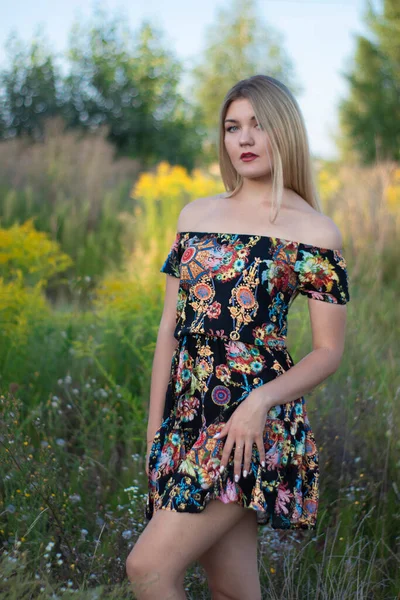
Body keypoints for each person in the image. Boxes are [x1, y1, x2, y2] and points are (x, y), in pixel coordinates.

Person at [126, 74, 350, 600]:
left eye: (258, 125)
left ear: (285, 132)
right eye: (232, 127)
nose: (244, 139)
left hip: (251, 428)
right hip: (186, 419)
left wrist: (260, 403)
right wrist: (155, 430)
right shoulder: (195, 216)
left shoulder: (315, 232)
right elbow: (169, 329)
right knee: (231, 589)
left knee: (149, 570)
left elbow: (329, 351)